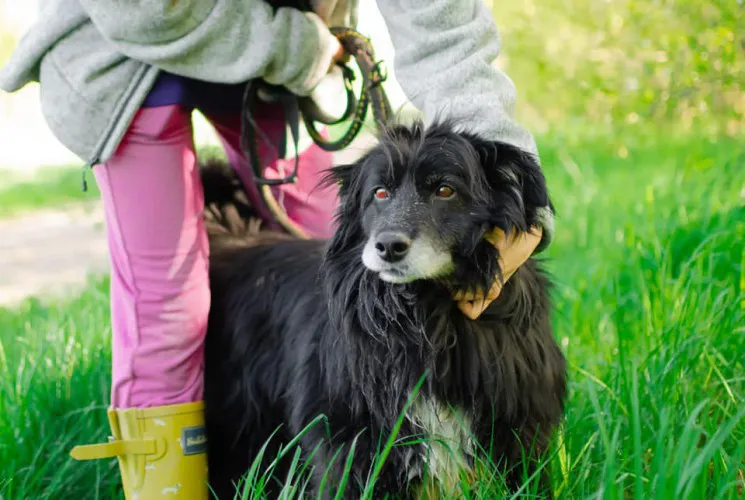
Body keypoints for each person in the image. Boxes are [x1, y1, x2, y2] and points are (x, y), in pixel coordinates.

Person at [0, 0, 554, 497]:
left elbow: (442, 26)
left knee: (320, 261)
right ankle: (168, 490)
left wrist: (511, 181)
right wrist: (302, 45)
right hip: (125, 59)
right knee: (170, 301)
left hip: (275, 67)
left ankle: (375, 456)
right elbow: (146, 11)